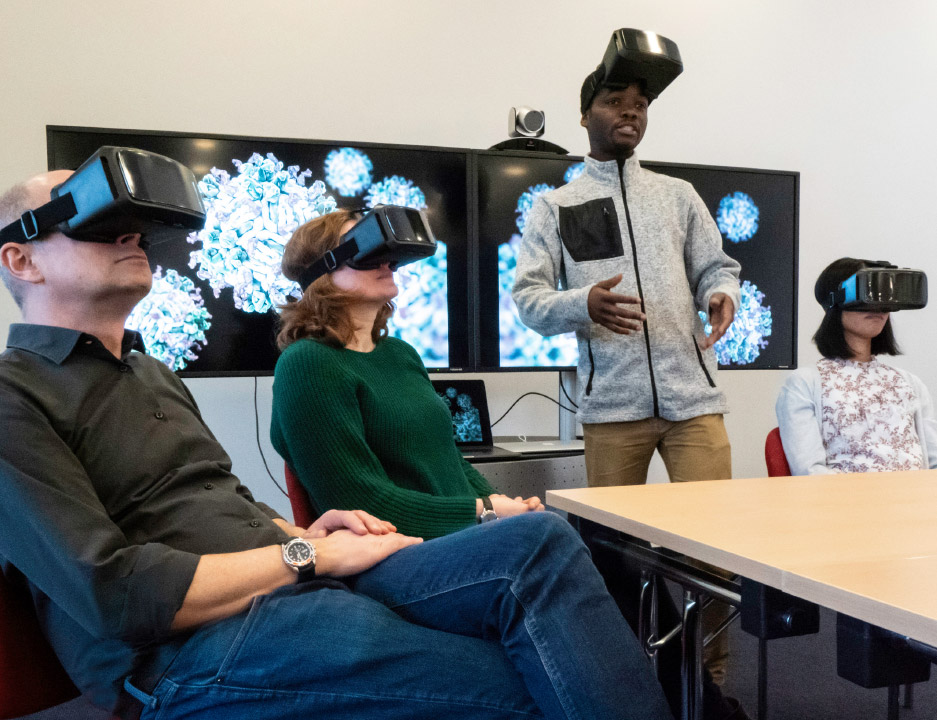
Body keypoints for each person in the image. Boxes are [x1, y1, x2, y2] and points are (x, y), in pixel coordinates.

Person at [0, 169, 673, 720]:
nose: (130, 232)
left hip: (291, 590)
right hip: (188, 658)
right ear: (20, 258)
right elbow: (112, 594)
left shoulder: (150, 373)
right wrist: (306, 554)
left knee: (545, 543)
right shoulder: (14, 394)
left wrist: (299, 530)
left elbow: (218, 500)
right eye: (89, 219)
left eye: (133, 224)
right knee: (539, 674)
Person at [512, 62, 742, 689]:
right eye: (615, 101)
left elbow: (718, 267)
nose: (630, 112)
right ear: (585, 114)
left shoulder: (677, 195)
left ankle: (711, 684)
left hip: (695, 403)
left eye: (640, 104)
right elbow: (529, 299)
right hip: (611, 409)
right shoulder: (554, 206)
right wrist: (579, 305)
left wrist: (722, 291)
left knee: (717, 552)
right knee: (613, 557)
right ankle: (633, 682)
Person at [270, 208, 544, 539]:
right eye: (367, 249)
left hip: (459, 537)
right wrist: (485, 512)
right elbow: (362, 504)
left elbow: (448, 461)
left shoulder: (400, 354)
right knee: (548, 536)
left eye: (388, 254)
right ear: (322, 270)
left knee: (548, 529)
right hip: (394, 552)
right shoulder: (308, 364)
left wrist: (498, 503)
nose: (386, 262)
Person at [776, 257, 937, 475]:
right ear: (835, 300)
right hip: (845, 505)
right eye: (866, 292)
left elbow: (933, 463)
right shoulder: (804, 384)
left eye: (883, 295)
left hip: (916, 503)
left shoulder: (910, 384)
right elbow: (810, 473)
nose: (877, 306)